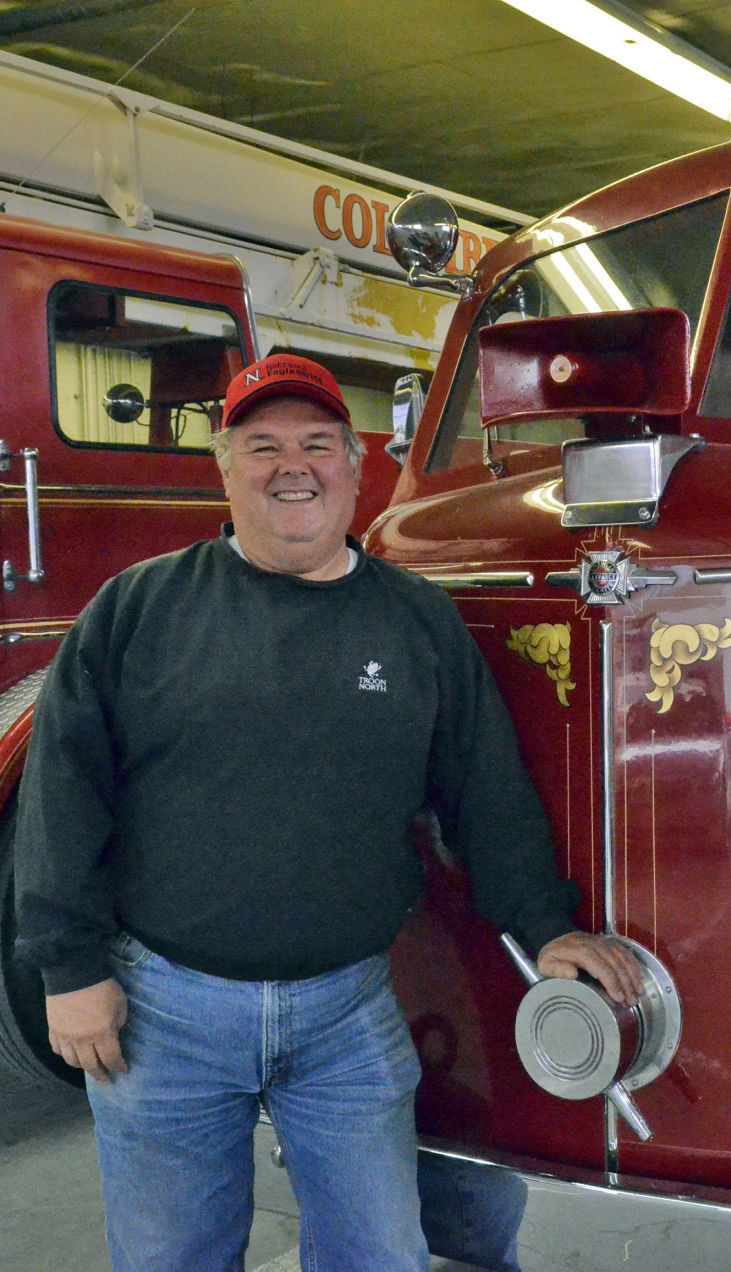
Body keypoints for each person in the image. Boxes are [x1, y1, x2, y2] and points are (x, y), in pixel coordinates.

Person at [14, 353, 642, 1272]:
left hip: (344, 1014)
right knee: (170, 1259)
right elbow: (62, 794)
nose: (291, 465)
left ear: (356, 465)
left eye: (316, 443)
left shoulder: (416, 621)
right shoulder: (137, 609)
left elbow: (484, 788)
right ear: (225, 469)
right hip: (164, 1013)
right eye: (261, 446)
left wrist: (545, 926)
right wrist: (67, 969)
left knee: (382, 1256)